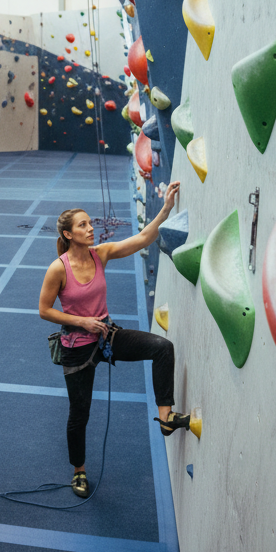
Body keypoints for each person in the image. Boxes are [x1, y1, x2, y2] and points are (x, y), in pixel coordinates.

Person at [38, 182, 189, 497]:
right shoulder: (58, 269)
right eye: (83, 225)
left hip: (107, 336)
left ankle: (165, 417)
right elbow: (44, 310)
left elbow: (143, 238)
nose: (91, 228)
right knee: (80, 414)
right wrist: (82, 321)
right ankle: (78, 471)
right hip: (77, 349)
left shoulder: (100, 255)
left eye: (90, 223)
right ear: (68, 234)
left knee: (162, 348)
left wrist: (166, 209)